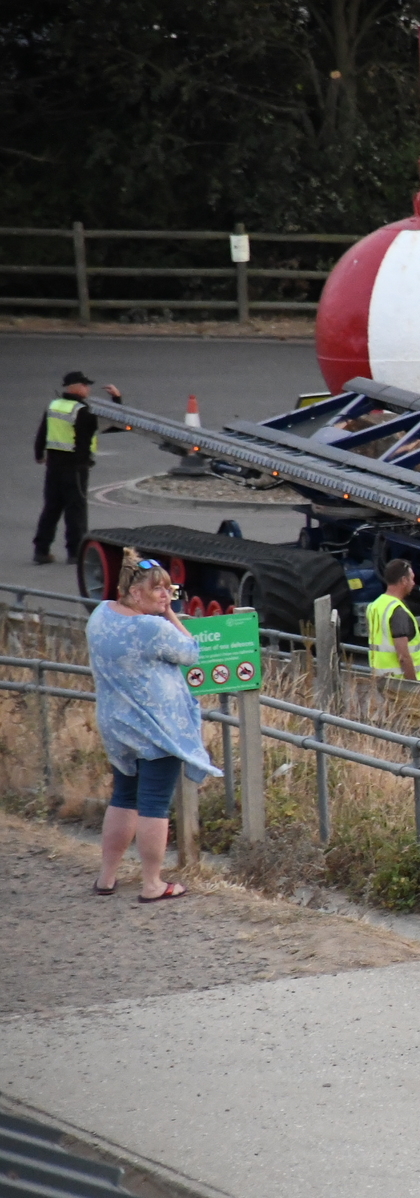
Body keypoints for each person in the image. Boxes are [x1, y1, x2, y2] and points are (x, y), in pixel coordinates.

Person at [87, 551, 221, 900]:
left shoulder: (101, 616)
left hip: (116, 724)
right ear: (134, 593)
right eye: (158, 590)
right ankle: (152, 883)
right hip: (156, 728)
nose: (165, 597)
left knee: (123, 797)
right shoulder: (151, 628)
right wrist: (173, 617)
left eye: (169, 591)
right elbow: (191, 651)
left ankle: (107, 877)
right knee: (153, 804)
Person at [33, 371, 118, 565]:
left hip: (54, 466)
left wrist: (39, 454)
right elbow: (109, 425)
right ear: (75, 387)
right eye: (85, 385)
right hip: (75, 468)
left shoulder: (54, 406)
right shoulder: (81, 411)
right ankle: (76, 552)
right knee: (76, 511)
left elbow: (43, 432)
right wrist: (116, 399)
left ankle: (41, 550)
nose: (88, 389)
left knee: (51, 509)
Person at [365, 559, 420, 681]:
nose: (413, 583)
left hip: (381, 679)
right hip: (401, 682)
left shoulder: (374, 606)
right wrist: (412, 684)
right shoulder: (397, 611)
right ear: (404, 581)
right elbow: (403, 656)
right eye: (411, 578)